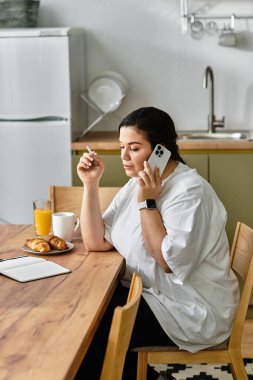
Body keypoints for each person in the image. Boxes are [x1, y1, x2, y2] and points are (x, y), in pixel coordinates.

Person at [76, 107, 239, 380]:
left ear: (160, 151)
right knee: (86, 312)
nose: (124, 157)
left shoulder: (190, 193)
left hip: (190, 310)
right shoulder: (137, 182)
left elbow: (167, 262)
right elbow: (95, 242)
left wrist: (147, 203)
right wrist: (90, 185)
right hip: (153, 296)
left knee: (94, 331)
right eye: (122, 147)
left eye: (134, 148)